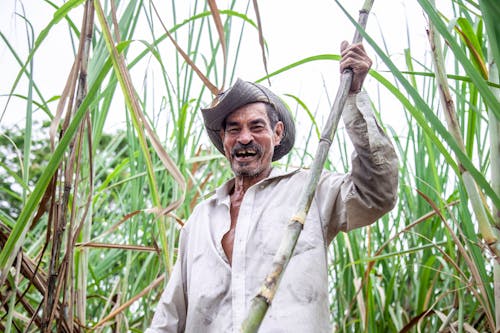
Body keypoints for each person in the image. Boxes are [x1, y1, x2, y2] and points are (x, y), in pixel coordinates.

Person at [146, 41, 399, 333]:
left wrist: (353, 94)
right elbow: (170, 317)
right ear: (224, 140)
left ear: (277, 134)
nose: (244, 138)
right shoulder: (199, 221)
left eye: (256, 127)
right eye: (233, 129)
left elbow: (377, 194)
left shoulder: (310, 191)